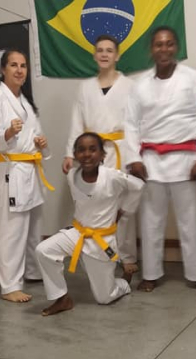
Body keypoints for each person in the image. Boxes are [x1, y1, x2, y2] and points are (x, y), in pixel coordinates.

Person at [124, 26, 196, 294]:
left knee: (191, 222)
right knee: (150, 222)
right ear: (151, 49)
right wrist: (133, 158)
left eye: (169, 44)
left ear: (176, 47)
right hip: (151, 162)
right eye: (158, 44)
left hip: (186, 159)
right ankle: (151, 274)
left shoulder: (193, 79)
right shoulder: (140, 85)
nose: (164, 49)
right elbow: (130, 124)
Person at [38, 132, 144, 316]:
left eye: (93, 149)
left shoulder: (111, 176)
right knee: (44, 250)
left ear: (102, 154)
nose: (87, 154)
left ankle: (123, 283)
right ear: (75, 154)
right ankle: (62, 298)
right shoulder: (72, 176)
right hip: (78, 234)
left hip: (100, 243)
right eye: (81, 150)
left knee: (104, 298)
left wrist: (123, 211)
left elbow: (139, 186)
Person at [63, 35, 138, 282]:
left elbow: (136, 124)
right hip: (91, 153)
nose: (104, 54)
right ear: (94, 55)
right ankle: (98, 254)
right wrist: (69, 154)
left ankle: (127, 257)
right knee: (95, 206)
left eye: (109, 50)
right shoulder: (85, 87)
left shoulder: (129, 86)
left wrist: (136, 155)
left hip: (120, 149)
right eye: (100, 50)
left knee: (122, 206)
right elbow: (76, 122)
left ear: (117, 55)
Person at [0, 49, 51, 303]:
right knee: (12, 229)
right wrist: (8, 133)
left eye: (23, 65)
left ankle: (32, 270)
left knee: (33, 226)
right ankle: (10, 285)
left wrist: (41, 144)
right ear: (3, 69)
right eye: (13, 65)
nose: (19, 70)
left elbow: (35, 136)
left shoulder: (25, 101)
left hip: (30, 169)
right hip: (11, 171)